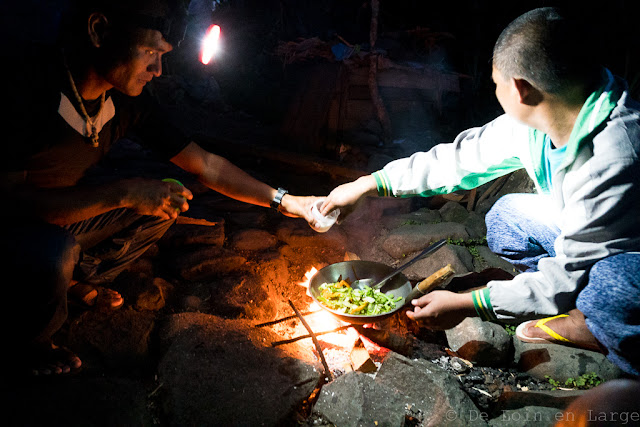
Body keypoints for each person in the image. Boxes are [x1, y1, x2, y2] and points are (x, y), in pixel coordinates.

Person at [0, 0, 319, 376]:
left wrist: (284, 200)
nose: (157, 69)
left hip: (61, 222)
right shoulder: (28, 89)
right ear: (99, 31)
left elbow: (206, 165)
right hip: (12, 230)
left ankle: (69, 283)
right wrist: (124, 192)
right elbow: (11, 204)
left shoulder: (122, 101)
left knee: (170, 198)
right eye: (150, 51)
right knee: (55, 250)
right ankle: (28, 344)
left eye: (163, 55)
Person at [319, 7, 640, 377]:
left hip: (626, 256)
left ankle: (594, 328)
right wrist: (367, 184)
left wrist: (468, 303)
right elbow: (457, 161)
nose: (495, 91)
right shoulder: (543, 117)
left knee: (616, 285)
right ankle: (551, 303)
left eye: (495, 83)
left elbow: (569, 272)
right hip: (587, 234)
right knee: (506, 217)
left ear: (520, 89)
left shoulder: (615, 154)